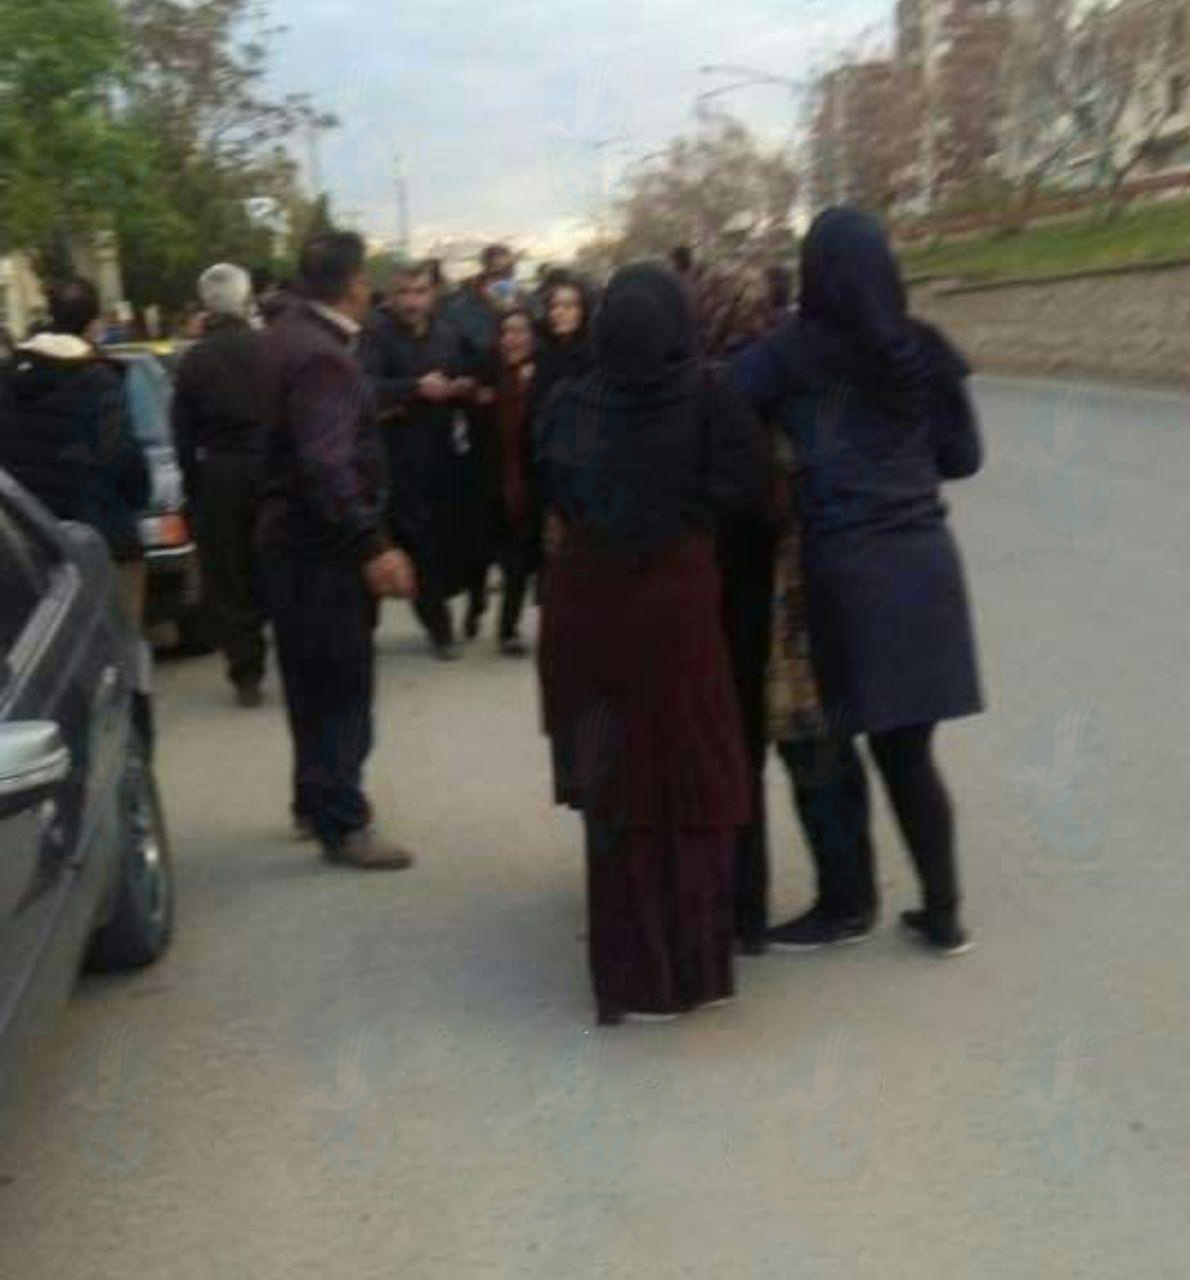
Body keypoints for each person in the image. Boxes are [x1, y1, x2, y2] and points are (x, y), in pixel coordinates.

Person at [731, 207, 984, 956]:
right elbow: (963, 457)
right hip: (925, 563)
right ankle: (943, 913)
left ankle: (846, 905)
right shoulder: (923, 348)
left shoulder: (789, 354)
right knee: (909, 751)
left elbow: (724, 404)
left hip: (840, 570)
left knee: (824, 748)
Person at [537, 262, 763, 1025]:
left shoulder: (570, 403)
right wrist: (686, 518)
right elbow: (747, 488)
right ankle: (694, 971)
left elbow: (555, 486)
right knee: (688, 773)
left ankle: (629, 979)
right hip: (677, 607)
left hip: (590, 607)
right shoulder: (708, 396)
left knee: (614, 785)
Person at [255, 231, 418, 870]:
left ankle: (313, 799)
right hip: (319, 549)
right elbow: (326, 464)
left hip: (285, 540)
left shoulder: (282, 336)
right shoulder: (324, 357)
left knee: (308, 682)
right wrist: (371, 543)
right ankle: (344, 820)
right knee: (341, 687)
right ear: (354, 284)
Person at [0, 277, 153, 744]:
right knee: (122, 643)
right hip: (100, 531)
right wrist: (136, 498)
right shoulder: (99, 379)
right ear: (93, 325)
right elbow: (122, 458)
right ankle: (131, 729)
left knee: (42, 647)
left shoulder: (9, 377)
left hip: (29, 538)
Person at [362, 260, 476, 659]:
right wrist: (413, 388)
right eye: (404, 293)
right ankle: (374, 632)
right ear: (392, 296)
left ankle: (439, 625)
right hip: (389, 460)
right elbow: (363, 388)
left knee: (431, 546)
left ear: (433, 294)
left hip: (439, 459)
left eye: (420, 292)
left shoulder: (447, 333)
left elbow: (468, 370)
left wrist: (464, 386)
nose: (412, 302)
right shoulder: (375, 336)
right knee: (382, 546)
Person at [172, 263, 268, 706]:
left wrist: (194, 487)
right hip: (269, 468)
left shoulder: (194, 360)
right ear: (247, 301)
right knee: (277, 561)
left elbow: (182, 433)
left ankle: (246, 670)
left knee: (229, 575)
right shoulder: (268, 349)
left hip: (219, 475)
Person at [487, 308, 539, 655]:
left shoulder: (544, 376)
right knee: (514, 563)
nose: (514, 339)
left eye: (521, 331)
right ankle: (506, 628)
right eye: (507, 331)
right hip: (499, 482)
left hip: (538, 480)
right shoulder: (489, 378)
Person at [533, 275, 594, 410]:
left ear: (584, 311)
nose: (558, 312)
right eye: (553, 306)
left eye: (569, 306)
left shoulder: (593, 356)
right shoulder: (541, 351)